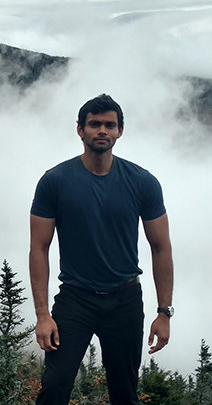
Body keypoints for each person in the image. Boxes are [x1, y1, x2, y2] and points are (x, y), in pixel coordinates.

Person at [29, 94, 174, 405]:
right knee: (54, 387)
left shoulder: (143, 182)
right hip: (74, 300)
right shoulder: (54, 182)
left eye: (110, 124)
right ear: (80, 130)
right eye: (94, 124)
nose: (102, 130)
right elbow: (39, 248)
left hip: (125, 301)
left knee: (125, 393)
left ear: (120, 131)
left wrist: (164, 312)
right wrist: (42, 314)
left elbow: (161, 247)